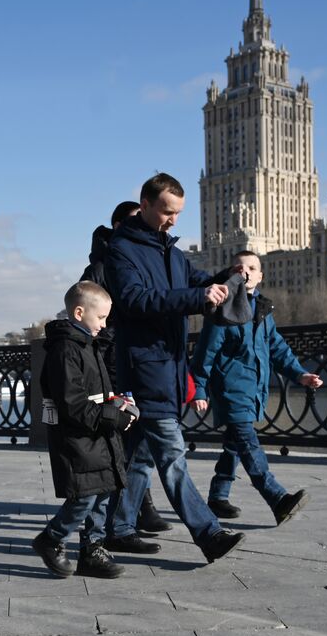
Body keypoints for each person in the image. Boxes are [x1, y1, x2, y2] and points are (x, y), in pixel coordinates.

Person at [103, 172, 244, 564]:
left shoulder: (172, 251)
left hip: (169, 367)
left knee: (139, 456)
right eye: (167, 211)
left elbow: (197, 280)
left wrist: (227, 279)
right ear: (145, 205)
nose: (173, 220)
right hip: (145, 368)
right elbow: (134, 300)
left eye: (178, 213)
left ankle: (117, 528)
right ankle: (208, 533)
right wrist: (198, 297)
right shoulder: (122, 249)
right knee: (172, 455)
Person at [191, 250, 323, 523]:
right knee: (248, 444)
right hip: (230, 388)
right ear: (231, 276)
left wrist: (300, 375)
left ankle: (217, 497)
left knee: (234, 444)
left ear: (260, 276)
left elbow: (278, 349)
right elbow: (206, 352)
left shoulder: (262, 310)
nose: (245, 272)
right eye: (238, 268)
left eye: (251, 267)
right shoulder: (222, 310)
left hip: (255, 389)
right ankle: (277, 499)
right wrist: (200, 388)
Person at [31, 281, 140, 579]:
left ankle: (92, 550)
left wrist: (117, 404)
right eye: (101, 318)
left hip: (97, 438)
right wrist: (113, 418)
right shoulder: (66, 349)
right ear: (79, 313)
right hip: (78, 441)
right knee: (83, 498)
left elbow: (96, 392)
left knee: (102, 493)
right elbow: (73, 404)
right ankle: (51, 539)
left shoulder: (87, 344)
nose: (104, 326)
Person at [83, 200, 173, 536]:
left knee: (139, 441)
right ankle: (121, 516)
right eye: (137, 221)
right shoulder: (101, 269)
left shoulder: (143, 261)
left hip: (143, 362)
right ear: (120, 226)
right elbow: (90, 322)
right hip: (114, 365)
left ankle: (130, 510)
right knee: (122, 444)